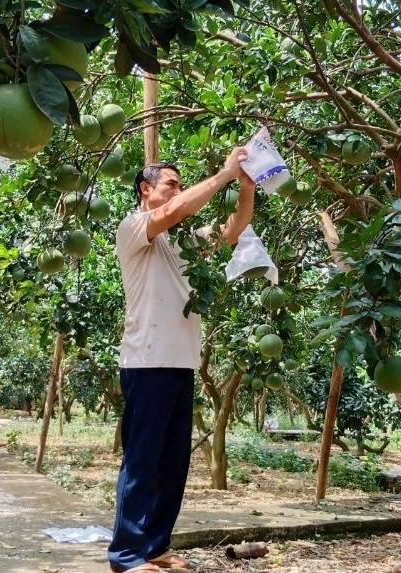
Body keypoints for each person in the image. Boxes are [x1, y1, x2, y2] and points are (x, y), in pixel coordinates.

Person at [108, 147, 255, 573]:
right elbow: (169, 213)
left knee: (173, 464)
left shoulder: (184, 242)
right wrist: (224, 174)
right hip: (146, 362)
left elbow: (233, 229)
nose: (178, 190)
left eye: (178, 184)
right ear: (145, 189)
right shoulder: (134, 228)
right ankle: (126, 556)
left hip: (180, 363)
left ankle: (155, 546)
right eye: (171, 183)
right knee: (142, 461)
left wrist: (244, 186)